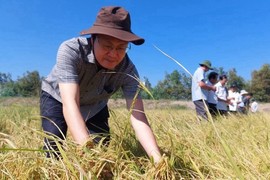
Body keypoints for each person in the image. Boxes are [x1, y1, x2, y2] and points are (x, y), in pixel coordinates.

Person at [40, 6, 161, 163]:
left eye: (121, 48)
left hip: (95, 104)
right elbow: (70, 103)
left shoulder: (128, 72)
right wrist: (86, 150)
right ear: (93, 38)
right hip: (58, 97)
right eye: (107, 46)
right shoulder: (71, 50)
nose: (114, 54)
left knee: (102, 148)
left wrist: (157, 159)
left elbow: (138, 117)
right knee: (54, 144)